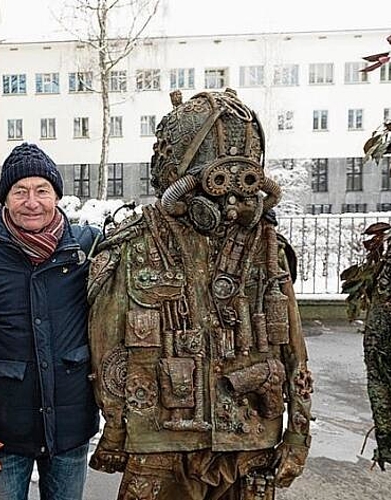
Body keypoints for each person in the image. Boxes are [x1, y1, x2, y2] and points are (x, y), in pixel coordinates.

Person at [87, 88, 313, 499]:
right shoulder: (133, 246)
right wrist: (117, 428)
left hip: (248, 443)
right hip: (159, 445)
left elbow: (294, 350)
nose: (227, 199)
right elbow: (107, 353)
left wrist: (298, 436)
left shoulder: (266, 248)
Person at [0, 143, 100, 500]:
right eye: (20, 191)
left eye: (42, 191)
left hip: (70, 421)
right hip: (4, 424)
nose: (32, 201)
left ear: (56, 196)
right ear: (5, 198)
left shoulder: (87, 248)